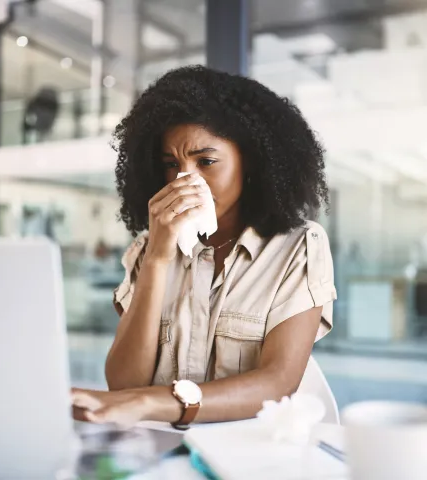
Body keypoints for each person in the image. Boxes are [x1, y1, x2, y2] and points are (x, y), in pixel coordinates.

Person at [72, 66, 337, 428]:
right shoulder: (148, 249)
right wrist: (158, 259)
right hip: (165, 447)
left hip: (252, 452)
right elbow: (123, 384)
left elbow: (278, 382)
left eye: (206, 161)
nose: (185, 179)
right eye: (171, 164)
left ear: (251, 162)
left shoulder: (298, 247)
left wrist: (155, 402)